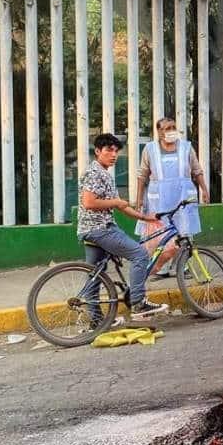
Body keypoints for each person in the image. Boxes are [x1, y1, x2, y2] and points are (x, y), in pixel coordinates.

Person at [78, 133, 167, 320]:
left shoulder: (105, 175)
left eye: (116, 151)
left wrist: (146, 217)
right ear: (97, 151)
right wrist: (116, 203)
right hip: (100, 228)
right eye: (109, 150)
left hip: (91, 230)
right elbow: (89, 202)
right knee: (140, 254)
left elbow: (121, 205)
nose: (114, 154)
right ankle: (139, 303)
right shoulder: (95, 173)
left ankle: (96, 322)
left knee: (95, 276)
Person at [133, 117, 209, 278]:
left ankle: (183, 266)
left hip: (182, 195)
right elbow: (142, 175)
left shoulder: (186, 147)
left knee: (184, 230)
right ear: (159, 132)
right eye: (167, 128)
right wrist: (139, 199)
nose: (171, 131)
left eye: (173, 127)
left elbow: (197, 170)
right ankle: (161, 266)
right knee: (161, 233)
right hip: (159, 198)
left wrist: (204, 189)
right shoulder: (150, 149)